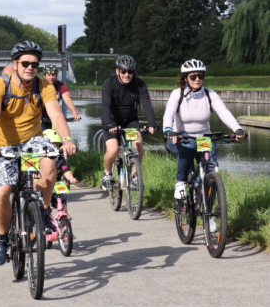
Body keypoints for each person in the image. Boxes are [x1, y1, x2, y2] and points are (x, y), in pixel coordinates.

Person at [0, 41, 77, 266]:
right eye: (25, 63)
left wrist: (67, 139)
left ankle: (43, 211)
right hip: (3, 143)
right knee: (4, 191)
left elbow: (55, 115)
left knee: (50, 160)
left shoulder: (44, 85)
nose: (30, 67)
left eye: (35, 64)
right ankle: (3, 240)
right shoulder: (0, 84)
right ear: (15, 64)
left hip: (31, 141)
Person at [163, 59, 246, 202]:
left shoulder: (209, 94)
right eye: (193, 76)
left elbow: (223, 111)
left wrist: (237, 128)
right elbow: (169, 113)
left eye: (200, 76)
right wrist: (169, 129)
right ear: (185, 78)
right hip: (181, 137)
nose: (197, 79)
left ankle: (210, 214)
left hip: (203, 138)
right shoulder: (178, 94)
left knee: (211, 172)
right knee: (187, 147)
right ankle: (181, 182)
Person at [100, 55, 157, 191]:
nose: (127, 74)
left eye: (130, 71)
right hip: (112, 120)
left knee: (137, 144)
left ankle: (135, 177)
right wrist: (109, 124)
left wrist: (152, 123)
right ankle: (107, 173)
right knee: (113, 149)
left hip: (130, 120)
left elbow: (147, 104)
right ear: (117, 71)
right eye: (123, 71)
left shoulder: (139, 84)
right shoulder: (109, 84)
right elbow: (106, 106)